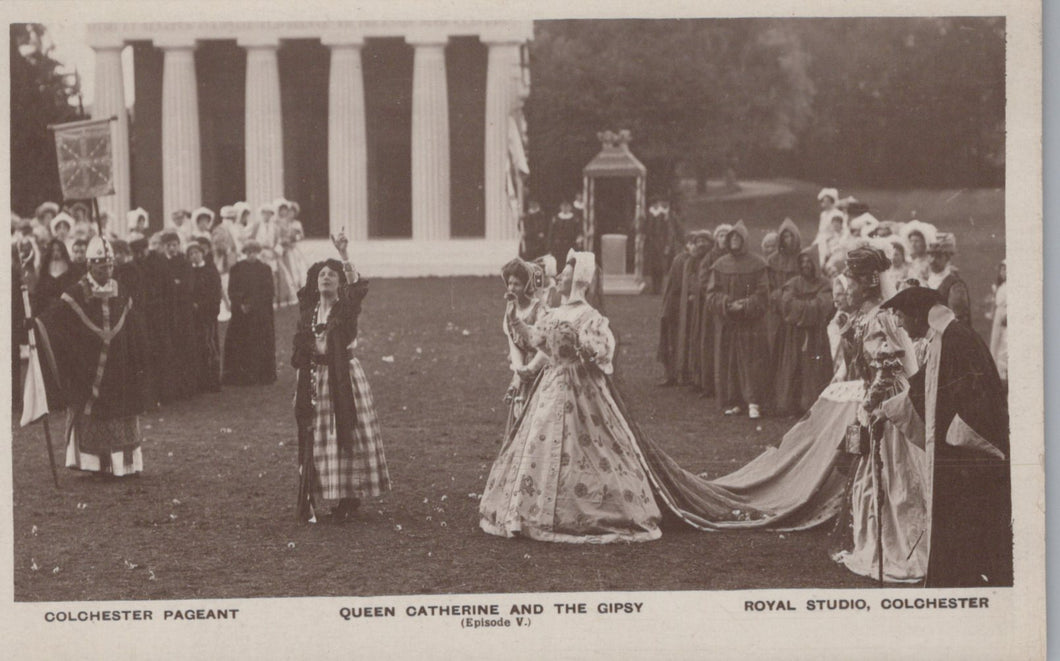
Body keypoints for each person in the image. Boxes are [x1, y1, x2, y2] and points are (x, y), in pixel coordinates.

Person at [480, 251, 665, 542]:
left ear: (577, 279)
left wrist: (584, 348)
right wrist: (515, 320)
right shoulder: (553, 313)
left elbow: (603, 351)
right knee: (537, 438)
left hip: (583, 392)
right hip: (551, 386)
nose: (559, 279)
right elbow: (535, 341)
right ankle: (527, 511)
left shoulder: (591, 316)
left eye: (564, 275)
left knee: (592, 445)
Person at [879, 286, 1012, 587]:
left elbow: (977, 401)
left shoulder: (957, 340)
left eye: (900, 315)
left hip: (968, 457)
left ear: (916, 314)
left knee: (968, 524)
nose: (898, 324)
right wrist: (887, 411)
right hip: (956, 453)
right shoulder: (944, 339)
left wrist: (954, 438)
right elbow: (925, 392)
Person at [292, 232, 390, 523]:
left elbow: (358, 288)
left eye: (332, 275)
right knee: (319, 436)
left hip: (343, 376)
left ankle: (350, 497)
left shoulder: (345, 309)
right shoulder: (309, 313)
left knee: (346, 432)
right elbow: (300, 349)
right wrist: (299, 385)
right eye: (322, 274)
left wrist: (344, 255)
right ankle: (324, 493)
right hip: (315, 378)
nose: (326, 278)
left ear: (339, 282)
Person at [33, 236, 150, 477]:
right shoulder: (76, 293)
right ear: (90, 265)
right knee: (91, 408)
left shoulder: (121, 291)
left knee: (122, 409)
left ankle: (124, 464)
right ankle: (95, 464)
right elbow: (55, 320)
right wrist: (34, 322)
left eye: (109, 265)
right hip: (87, 365)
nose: (106, 271)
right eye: (100, 266)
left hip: (120, 366)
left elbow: (133, 328)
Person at [705, 220, 769, 419]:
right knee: (730, 361)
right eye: (731, 237)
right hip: (728, 322)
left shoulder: (758, 264)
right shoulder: (720, 265)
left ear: (744, 240)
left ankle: (753, 401)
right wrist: (726, 303)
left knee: (751, 362)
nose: (733, 241)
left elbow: (763, 293)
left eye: (737, 237)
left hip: (750, 322)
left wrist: (745, 305)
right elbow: (711, 294)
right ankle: (734, 401)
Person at [773, 249, 834, 416]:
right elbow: (786, 303)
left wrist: (800, 308)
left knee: (814, 369)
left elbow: (824, 306)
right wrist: (808, 308)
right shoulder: (793, 282)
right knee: (794, 367)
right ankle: (791, 405)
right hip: (794, 335)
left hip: (816, 335)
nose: (805, 265)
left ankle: (811, 404)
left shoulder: (825, 284)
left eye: (809, 262)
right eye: (803, 262)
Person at [150, 231, 197, 402]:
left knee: (184, 347)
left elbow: (188, 285)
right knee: (170, 348)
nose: (172, 248)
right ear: (164, 247)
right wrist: (173, 284)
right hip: (167, 310)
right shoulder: (160, 263)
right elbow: (160, 285)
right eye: (168, 245)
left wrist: (176, 285)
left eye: (174, 244)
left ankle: (186, 387)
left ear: (179, 245)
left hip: (182, 310)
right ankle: (171, 388)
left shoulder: (185, 263)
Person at [500, 258, 544, 437]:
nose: (511, 288)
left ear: (527, 286)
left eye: (516, 284)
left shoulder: (540, 310)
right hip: (522, 370)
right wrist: (519, 370)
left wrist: (530, 368)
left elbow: (544, 345)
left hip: (540, 368)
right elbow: (513, 343)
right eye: (509, 283)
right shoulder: (510, 310)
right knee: (519, 415)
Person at [223, 241, 276, 386]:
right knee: (240, 341)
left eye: (254, 252)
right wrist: (241, 303)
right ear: (244, 252)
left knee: (258, 341)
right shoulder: (237, 269)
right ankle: (240, 375)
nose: (251, 255)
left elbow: (268, 291)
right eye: (248, 252)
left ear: (258, 252)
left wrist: (253, 304)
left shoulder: (265, 269)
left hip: (259, 313)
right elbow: (232, 289)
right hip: (241, 313)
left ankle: (260, 374)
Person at [675, 231, 713, 388]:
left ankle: (703, 377)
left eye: (705, 240)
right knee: (690, 338)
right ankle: (689, 373)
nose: (702, 244)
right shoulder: (690, 261)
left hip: (705, 305)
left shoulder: (711, 259)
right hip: (691, 306)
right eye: (698, 241)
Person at [657, 235, 693, 386]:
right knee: (672, 338)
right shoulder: (680, 260)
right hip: (676, 304)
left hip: (690, 306)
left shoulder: (699, 261)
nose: (694, 247)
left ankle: (686, 373)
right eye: (691, 243)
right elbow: (674, 285)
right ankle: (671, 373)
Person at [187, 241, 222, 393]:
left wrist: (202, 306)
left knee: (210, 345)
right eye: (191, 254)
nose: (194, 256)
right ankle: (200, 381)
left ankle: (213, 381)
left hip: (207, 314)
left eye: (196, 252)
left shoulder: (210, 270)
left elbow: (215, 292)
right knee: (197, 346)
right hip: (193, 315)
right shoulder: (189, 271)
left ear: (202, 253)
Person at [766, 219, 803, 360]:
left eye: (791, 236)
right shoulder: (772, 260)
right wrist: (777, 296)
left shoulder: (803, 257)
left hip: (797, 308)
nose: (788, 240)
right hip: (777, 309)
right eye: (785, 237)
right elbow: (768, 285)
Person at [925, 232, 971, 327]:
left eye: (938, 256)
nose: (932, 260)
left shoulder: (955, 285)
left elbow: (957, 319)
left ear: (947, 258)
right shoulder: (925, 279)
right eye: (930, 255)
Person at [644, 197, 685, 294]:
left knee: (663, 267)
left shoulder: (670, 215)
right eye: (660, 203)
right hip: (654, 244)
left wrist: (675, 243)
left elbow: (675, 230)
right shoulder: (651, 215)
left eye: (664, 203)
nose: (662, 205)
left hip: (665, 244)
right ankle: (655, 288)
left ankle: (662, 288)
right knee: (654, 266)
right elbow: (648, 229)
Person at [34, 238, 79, 312]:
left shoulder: (72, 269)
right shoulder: (44, 269)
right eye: (53, 250)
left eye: (58, 250)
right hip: (48, 309)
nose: (55, 253)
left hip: (66, 310)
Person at [989, 260, 1008, 389]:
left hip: (1006, 321)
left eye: (1006, 269)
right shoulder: (1001, 287)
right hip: (998, 320)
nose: (1003, 272)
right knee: (996, 345)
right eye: (1002, 269)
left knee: (1005, 347)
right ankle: (999, 375)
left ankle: (1005, 374)